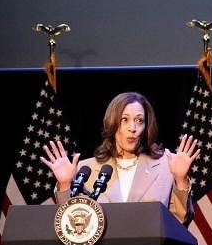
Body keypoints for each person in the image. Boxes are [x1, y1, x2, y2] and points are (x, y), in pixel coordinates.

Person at [41, 91, 200, 224]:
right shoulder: (85, 170)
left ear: (146, 126)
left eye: (139, 121)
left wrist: (180, 179)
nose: (133, 128)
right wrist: (64, 185)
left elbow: (180, 222)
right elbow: (71, 225)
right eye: (125, 120)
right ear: (112, 123)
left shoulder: (167, 165)